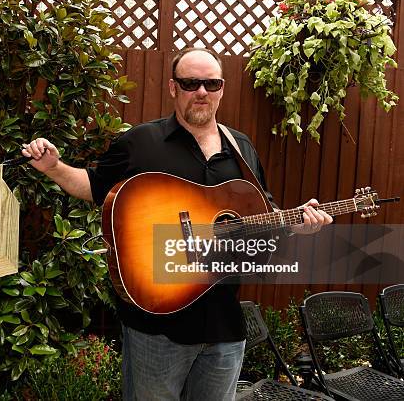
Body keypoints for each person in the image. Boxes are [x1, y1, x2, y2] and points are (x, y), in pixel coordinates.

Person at [21, 47, 332, 400]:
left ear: (222, 89)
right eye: (190, 83)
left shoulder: (241, 147)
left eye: (211, 84)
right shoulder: (140, 143)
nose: (202, 92)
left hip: (224, 325)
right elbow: (94, 187)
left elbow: (262, 212)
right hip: (156, 327)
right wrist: (53, 168)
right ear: (173, 88)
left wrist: (297, 223)